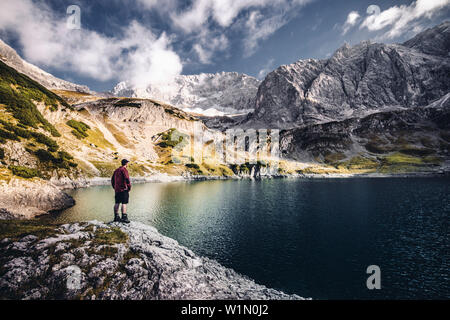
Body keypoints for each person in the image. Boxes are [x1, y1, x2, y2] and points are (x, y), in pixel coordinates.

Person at [111, 159, 131, 223]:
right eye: (127, 163)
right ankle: (124, 217)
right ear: (126, 164)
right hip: (123, 189)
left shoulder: (116, 170)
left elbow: (112, 180)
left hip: (117, 190)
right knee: (124, 203)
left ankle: (116, 217)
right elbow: (127, 178)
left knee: (117, 202)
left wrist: (115, 187)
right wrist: (129, 187)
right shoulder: (124, 170)